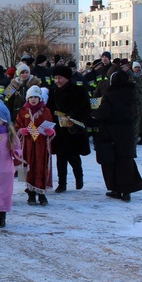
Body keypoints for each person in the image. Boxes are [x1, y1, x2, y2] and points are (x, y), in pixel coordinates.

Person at [91, 69, 142, 202]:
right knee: (125, 160)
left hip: (110, 131)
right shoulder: (133, 94)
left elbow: (103, 114)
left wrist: (94, 114)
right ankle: (127, 190)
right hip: (127, 131)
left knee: (111, 161)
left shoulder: (110, 96)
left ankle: (115, 189)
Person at [47, 64, 91, 193]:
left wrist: (72, 116)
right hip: (59, 130)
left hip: (73, 129)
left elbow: (85, 108)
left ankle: (79, 177)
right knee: (60, 158)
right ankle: (62, 183)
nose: (57, 81)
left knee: (73, 156)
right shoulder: (52, 91)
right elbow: (49, 109)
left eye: (60, 78)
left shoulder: (78, 90)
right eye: (55, 78)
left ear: (66, 78)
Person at [14, 86, 55, 205]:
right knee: (29, 166)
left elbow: (51, 126)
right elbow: (17, 126)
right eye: (31, 97)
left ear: (39, 98)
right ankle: (31, 193)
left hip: (42, 145)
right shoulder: (23, 111)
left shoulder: (45, 111)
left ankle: (41, 193)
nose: (33, 99)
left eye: (36, 97)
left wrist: (51, 132)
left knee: (41, 167)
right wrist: (21, 131)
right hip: (27, 145)